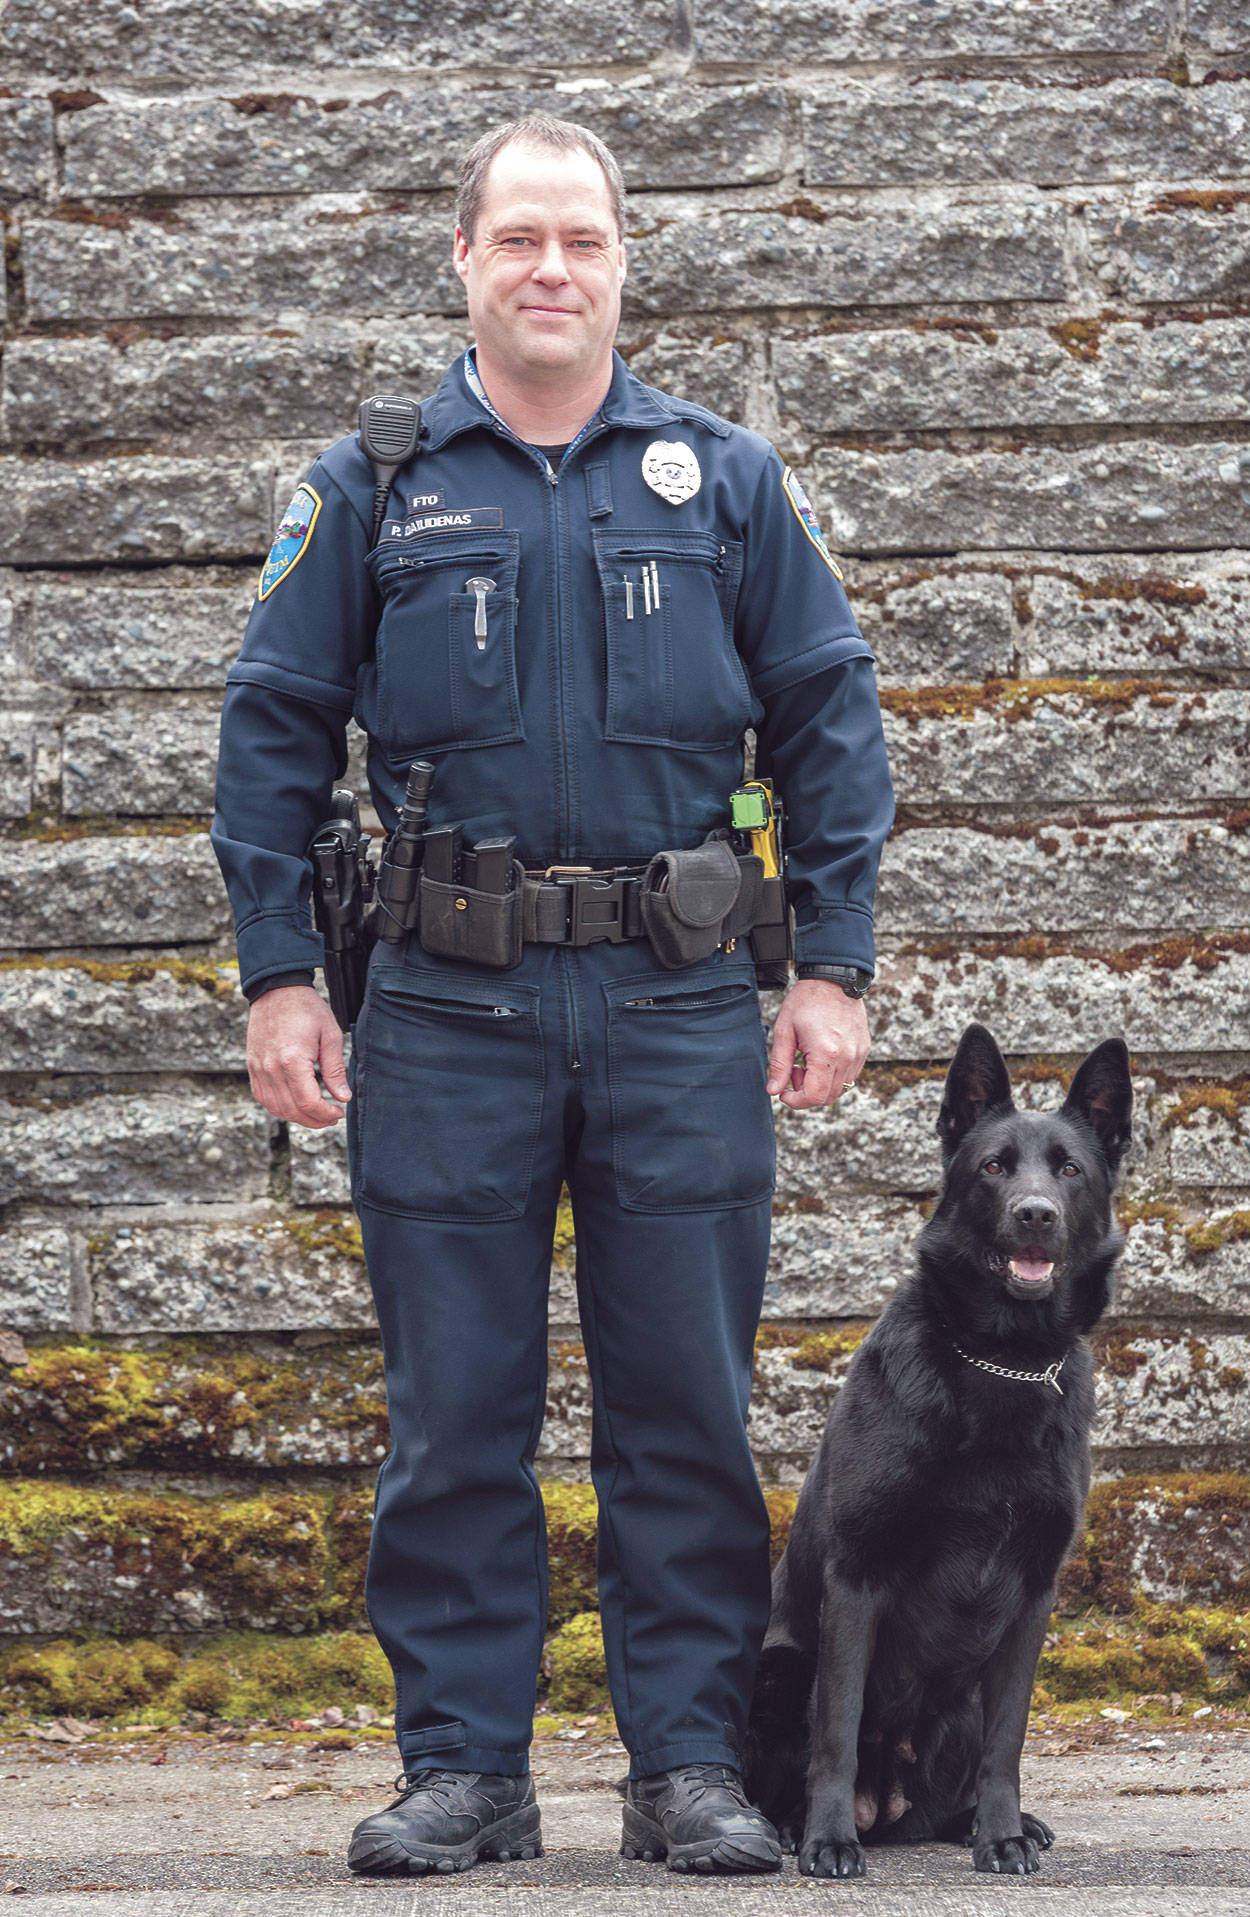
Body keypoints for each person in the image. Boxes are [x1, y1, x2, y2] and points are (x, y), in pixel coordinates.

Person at [210, 115, 895, 1879]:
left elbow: (830, 712)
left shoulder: (722, 480)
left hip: (677, 1006)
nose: (550, 269)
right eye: (517, 237)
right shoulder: (373, 485)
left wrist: (832, 964)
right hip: (449, 1010)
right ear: (463, 257)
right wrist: (282, 977)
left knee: (685, 1407)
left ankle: (689, 1765)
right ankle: (466, 1768)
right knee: (456, 1411)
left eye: (581, 239)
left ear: (621, 262)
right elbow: (271, 733)